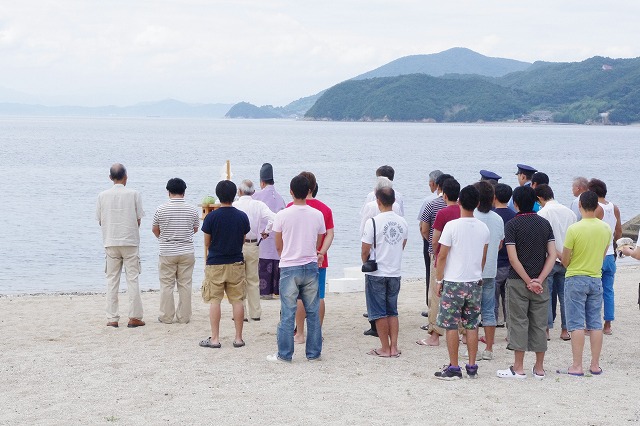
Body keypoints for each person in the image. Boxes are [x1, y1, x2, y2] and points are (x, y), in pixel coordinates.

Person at [497, 185, 556, 380]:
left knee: (518, 322)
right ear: (534, 202)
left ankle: (519, 367)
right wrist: (539, 279)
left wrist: (528, 280)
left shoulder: (512, 225)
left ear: (515, 203)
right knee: (539, 324)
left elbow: (513, 259)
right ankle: (539, 368)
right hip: (541, 282)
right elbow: (552, 255)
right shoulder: (544, 224)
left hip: (517, 281)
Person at [267, 175, 326, 363]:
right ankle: (313, 353)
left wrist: (287, 255)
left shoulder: (282, 215)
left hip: (289, 266)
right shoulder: (317, 214)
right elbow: (318, 241)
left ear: (291, 192)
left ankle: (285, 354)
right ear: (309, 191)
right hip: (309, 265)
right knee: (313, 311)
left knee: (287, 313)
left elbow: (278, 244)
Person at [433, 185, 489, 380]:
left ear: (459, 202)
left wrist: (439, 280)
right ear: (478, 204)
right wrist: (477, 272)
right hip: (474, 281)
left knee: (451, 325)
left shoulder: (452, 226)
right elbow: (483, 256)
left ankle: (454, 366)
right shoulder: (483, 227)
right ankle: (472, 365)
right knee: (472, 324)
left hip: (454, 281)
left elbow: (442, 256)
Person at [558, 190, 611, 376]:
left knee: (576, 323)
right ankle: (595, 365)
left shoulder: (574, 229)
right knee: (595, 322)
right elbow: (602, 255)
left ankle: (577, 365)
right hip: (595, 277)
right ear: (597, 206)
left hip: (575, 277)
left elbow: (565, 260)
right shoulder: (605, 228)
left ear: (580, 206)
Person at [199, 180, 250, 349]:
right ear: (234, 194)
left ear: (218, 196)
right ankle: (238, 338)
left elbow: (207, 243)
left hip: (216, 263)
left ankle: (215, 338)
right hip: (236, 261)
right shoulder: (241, 216)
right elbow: (242, 239)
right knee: (237, 300)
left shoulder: (211, 217)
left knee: (215, 300)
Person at [96, 163, 146, 328]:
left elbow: (100, 220)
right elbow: (138, 219)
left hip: (110, 241)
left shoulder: (102, 196)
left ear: (110, 178)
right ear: (126, 176)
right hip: (130, 241)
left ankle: (112, 318)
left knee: (111, 281)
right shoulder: (134, 194)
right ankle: (134, 317)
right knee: (132, 279)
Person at [361, 187, 408, 358]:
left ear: (378, 202)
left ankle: (384, 347)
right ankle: (394, 347)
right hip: (394, 271)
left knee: (379, 311)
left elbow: (365, 249)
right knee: (392, 310)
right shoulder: (402, 222)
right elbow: (402, 244)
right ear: (394, 201)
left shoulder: (372, 222)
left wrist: (365, 261)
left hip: (377, 272)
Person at [292, 171, 334, 343]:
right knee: (319, 296)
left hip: (297, 258)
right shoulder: (324, 209)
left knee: (300, 297)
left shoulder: (291, 207)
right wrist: (321, 251)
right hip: (319, 259)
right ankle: (317, 332)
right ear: (314, 187)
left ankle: (300, 333)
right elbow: (330, 234)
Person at [152, 178, 200, 324]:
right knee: (185, 284)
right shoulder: (192, 209)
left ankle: (166, 316)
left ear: (169, 192)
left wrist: (164, 237)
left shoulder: (161, 209)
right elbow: (195, 229)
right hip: (187, 250)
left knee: (167, 284)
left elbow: (155, 229)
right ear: (184, 192)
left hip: (167, 251)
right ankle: (184, 317)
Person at [417, 175, 457, 346]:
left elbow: (425, 229)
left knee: (436, 293)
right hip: (457, 256)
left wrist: (432, 248)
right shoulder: (464, 209)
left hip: (439, 253)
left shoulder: (433, 205)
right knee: (456, 293)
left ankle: (434, 333)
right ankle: (461, 332)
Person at [535, 184, 576, 341]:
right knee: (565, 296)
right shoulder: (570, 213)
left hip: (549, 259)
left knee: (546, 295)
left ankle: (546, 330)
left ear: (540, 198)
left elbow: (543, 239)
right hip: (567, 260)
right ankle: (565, 330)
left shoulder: (542, 213)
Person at [233, 179, 275, 322]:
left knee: (238, 280)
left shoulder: (235, 205)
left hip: (237, 245)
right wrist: (266, 230)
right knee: (253, 279)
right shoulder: (259, 205)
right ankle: (255, 313)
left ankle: (241, 313)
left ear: (239, 191)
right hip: (253, 245)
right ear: (254, 192)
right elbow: (274, 218)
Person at [472, 181, 504, 360]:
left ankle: (474, 349)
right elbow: (499, 243)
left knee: (472, 312)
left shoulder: (471, 216)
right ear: (493, 198)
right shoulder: (497, 218)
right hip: (490, 269)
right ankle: (489, 349)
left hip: (472, 271)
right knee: (489, 310)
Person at [588, 178, 622, 335]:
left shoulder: (597, 208)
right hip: (610, 254)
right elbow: (619, 231)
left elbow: (591, 230)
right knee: (608, 290)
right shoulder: (614, 207)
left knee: (593, 291)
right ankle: (607, 324)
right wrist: (615, 246)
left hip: (598, 254)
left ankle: (591, 325)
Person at [253, 163, 287, 299]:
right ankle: (275, 291)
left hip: (262, 241)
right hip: (278, 242)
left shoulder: (256, 196)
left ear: (262, 182)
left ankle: (264, 293)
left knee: (262, 266)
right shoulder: (280, 198)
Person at [418, 170, 443, 315]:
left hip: (432, 243)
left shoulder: (429, 201)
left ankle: (431, 306)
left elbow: (423, 227)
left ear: (433, 184)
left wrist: (429, 242)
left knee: (431, 273)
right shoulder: (455, 202)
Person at [493, 183, 516, 326]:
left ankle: (493, 324)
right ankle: (510, 327)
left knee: (493, 299)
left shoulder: (493, 216)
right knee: (509, 299)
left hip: (496, 263)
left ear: (494, 197)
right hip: (511, 262)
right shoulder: (514, 216)